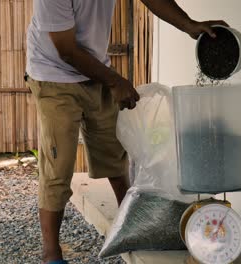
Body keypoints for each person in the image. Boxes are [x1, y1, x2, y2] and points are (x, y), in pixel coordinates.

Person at [25, 1, 228, 263]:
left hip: (94, 69)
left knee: (113, 152)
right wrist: (114, 80)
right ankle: (51, 254)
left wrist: (188, 24)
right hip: (53, 74)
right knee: (58, 168)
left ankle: (132, 226)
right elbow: (66, 50)